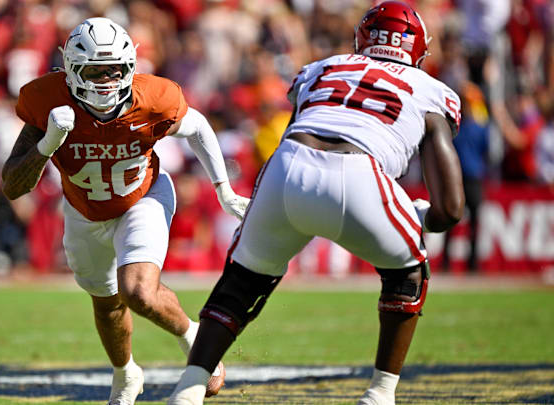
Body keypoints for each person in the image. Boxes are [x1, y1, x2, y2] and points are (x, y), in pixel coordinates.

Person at [168, 2, 465, 405]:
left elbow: (302, 124)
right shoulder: (431, 90)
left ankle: (188, 389)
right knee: (406, 273)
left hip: (286, 165)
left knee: (242, 281)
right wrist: (418, 217)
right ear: (418, 50)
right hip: (360, 171)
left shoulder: (323, 67)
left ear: (361, 40)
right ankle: (380, 394)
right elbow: (450, 210)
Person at [1, 17, 246, 405]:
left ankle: (194, 338)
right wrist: (47, 144)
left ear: (130, 66)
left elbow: (197, 128)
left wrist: (223, 190)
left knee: (138, 291)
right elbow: (13, 186)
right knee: (106, 302)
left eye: (114, 70)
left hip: (142, 197)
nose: (105, 80)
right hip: (83, 210)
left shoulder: (153, 96)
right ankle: (127, 373)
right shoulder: (46, 99)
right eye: (94, 71)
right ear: (71, 71)